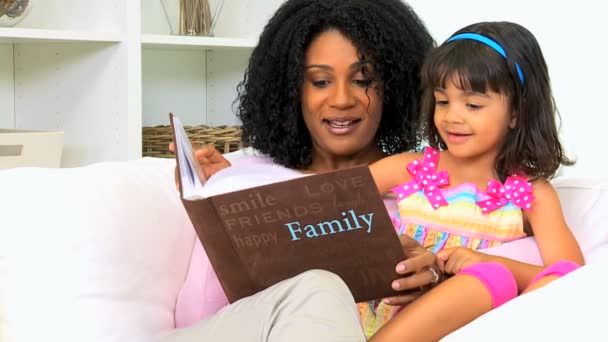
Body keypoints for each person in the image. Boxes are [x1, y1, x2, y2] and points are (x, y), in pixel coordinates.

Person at [167, 0, 439, 339]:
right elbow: (194, 316)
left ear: (394, 88)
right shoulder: (243, 178)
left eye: (363, 80)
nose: (341, 99)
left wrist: (433, 281)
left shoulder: (423, 192)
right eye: (321, 82)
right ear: (293, 89)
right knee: (318, 289)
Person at [366, 21, 584, 341]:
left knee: (489, 278)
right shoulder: (406, 169)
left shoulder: (529, 194)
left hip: (468, 323)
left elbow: (570, 279)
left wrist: (486, 263)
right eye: (443, 101)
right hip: (387, 310)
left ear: (517, 113)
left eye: (473, 105)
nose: (452, 116)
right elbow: (325, 205)